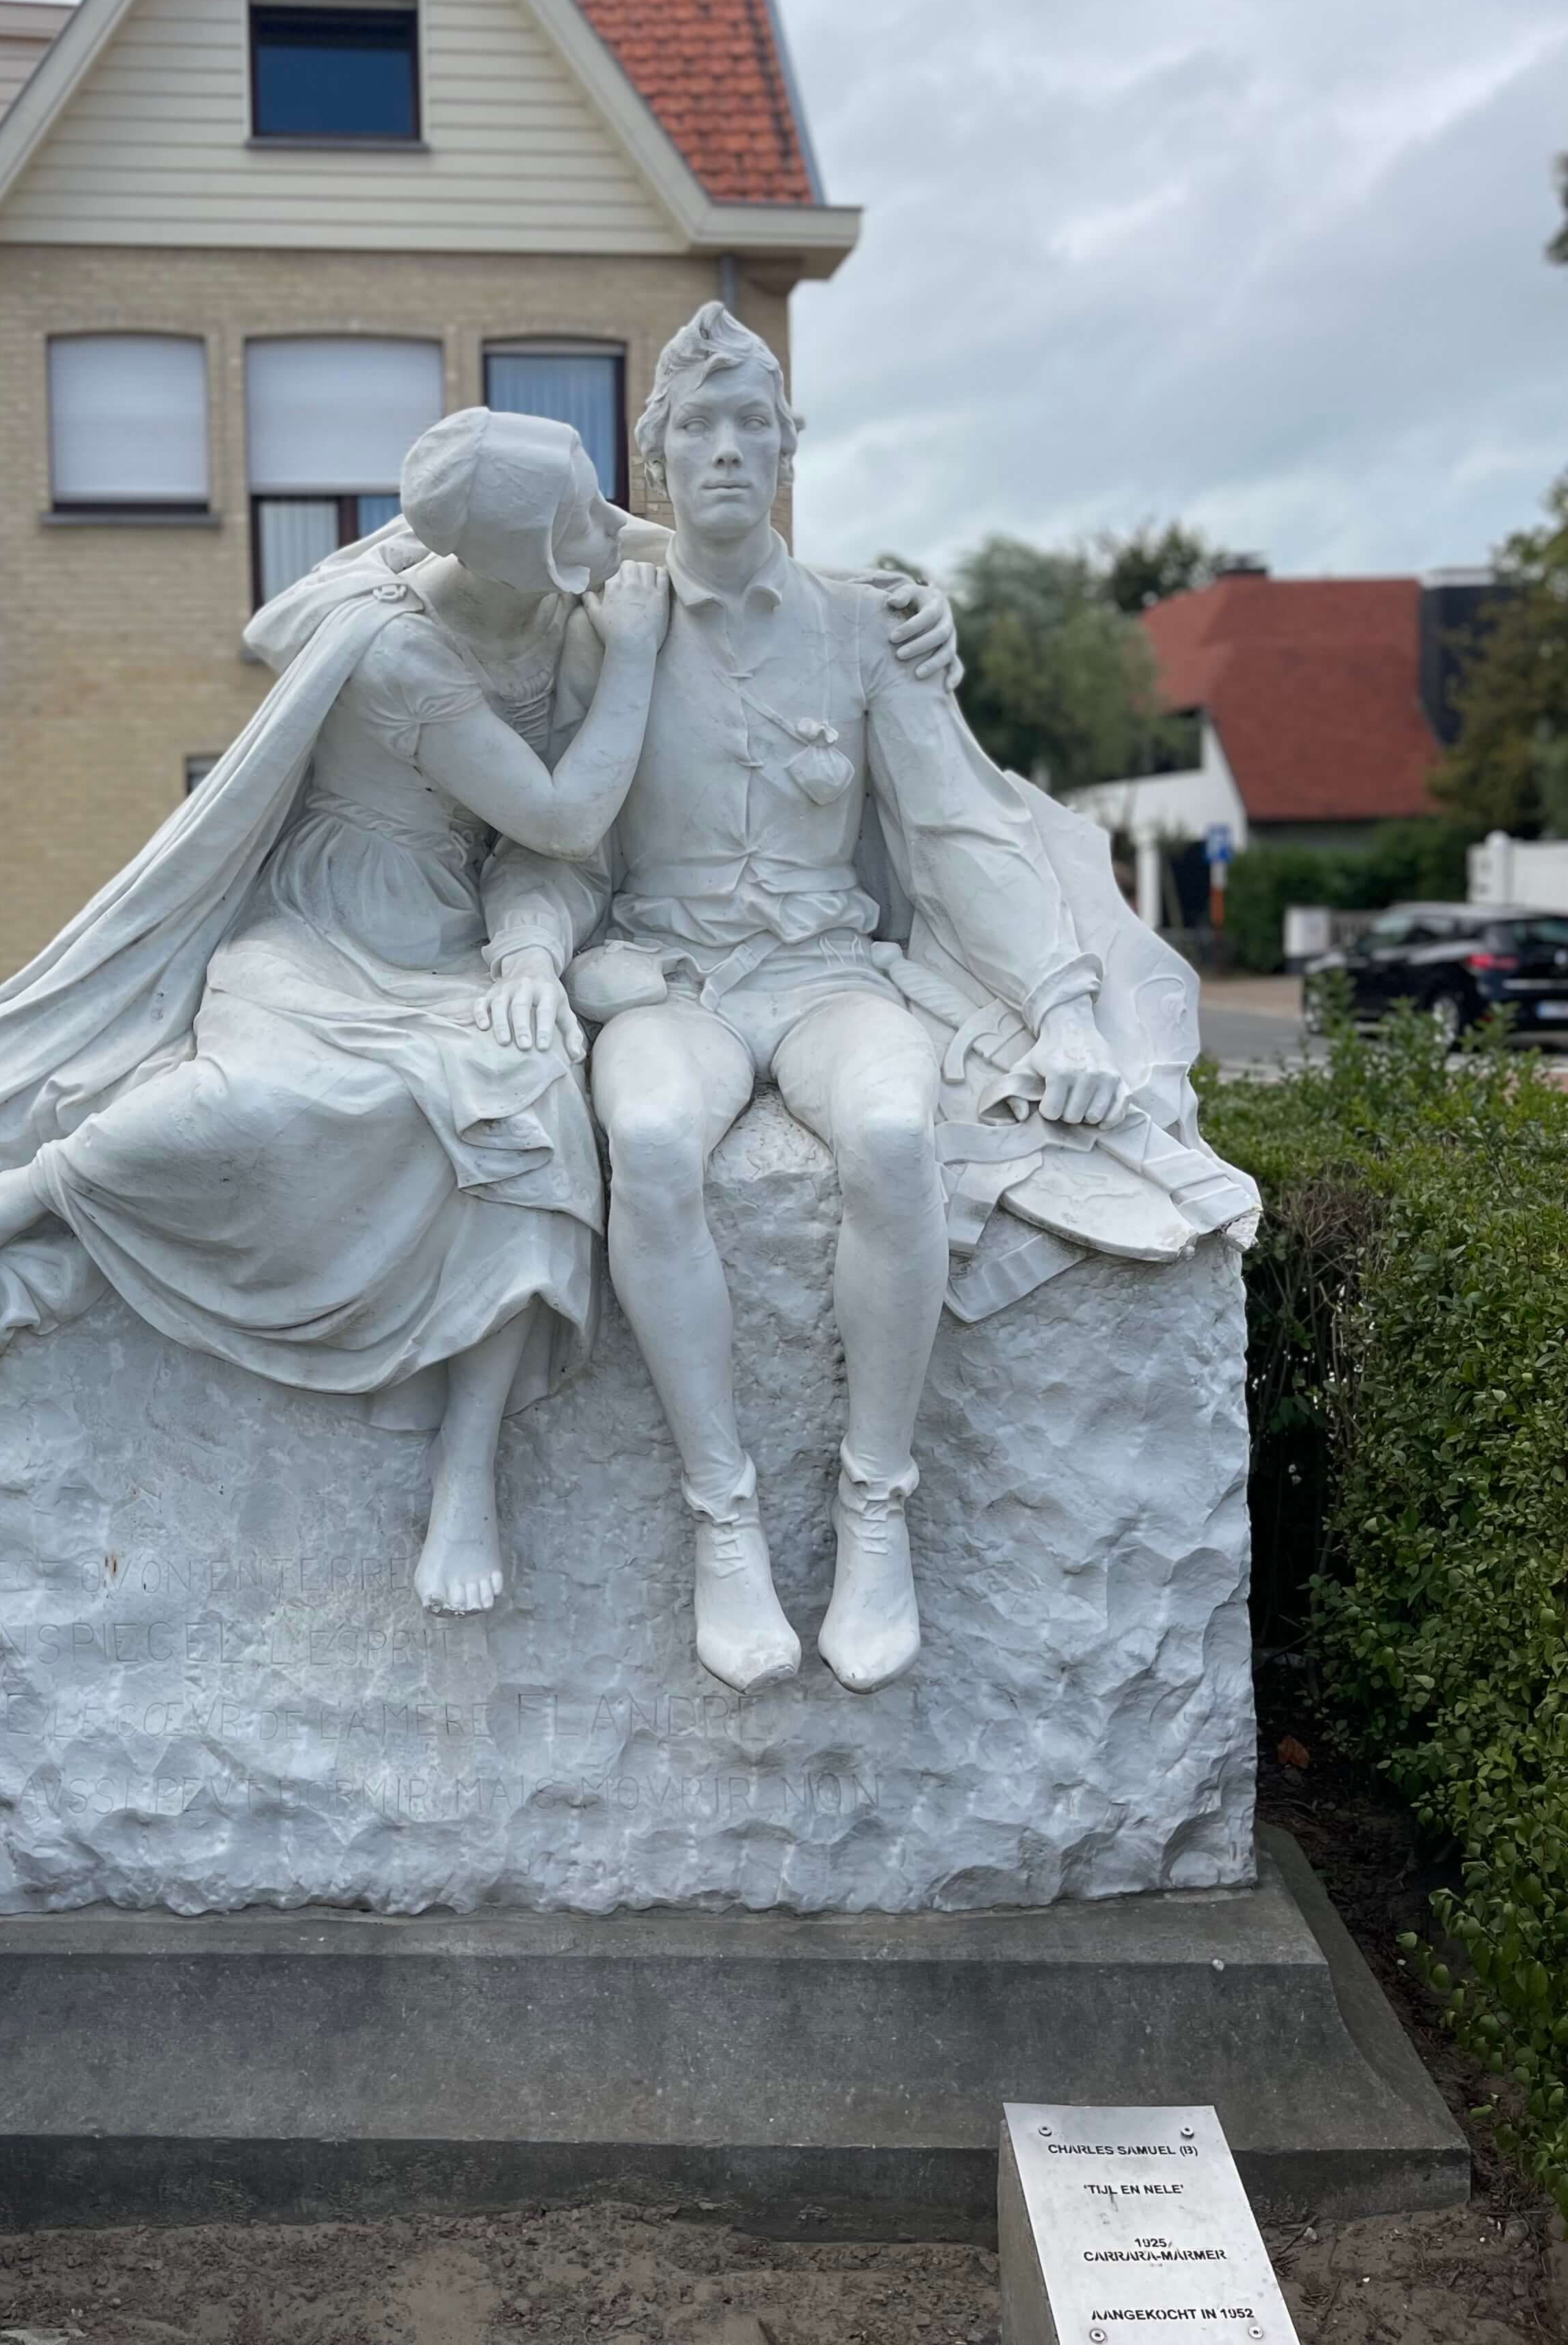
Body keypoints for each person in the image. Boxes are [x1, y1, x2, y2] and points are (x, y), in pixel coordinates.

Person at [0, 403, 962, 1623]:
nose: (609, 528)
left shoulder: (546, 573)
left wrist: (895, 605)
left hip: (453, 938)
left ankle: (467, 1466)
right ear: (511, 555)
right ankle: (24, 1194)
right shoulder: (400, 645)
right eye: (575, 519)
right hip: (333, 931)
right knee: (240, 1103)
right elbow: (565, 820)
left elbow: (693, 559)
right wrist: (632, 659)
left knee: (529, 1115)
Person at [482, 305, 1252, 1697]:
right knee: (648, 1139)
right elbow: (557, 841)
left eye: (752, 423)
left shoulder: (863, 625)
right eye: (698, 426)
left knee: (898, 1135)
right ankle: (722, 1517)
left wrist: (1064, 1002)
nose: (727, 449)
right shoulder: (609, 630)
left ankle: (875, 1502)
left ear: (789, 449)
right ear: (656, 458)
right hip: (674, 977)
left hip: (831, 974)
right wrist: (533, 952)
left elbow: (955, 828)